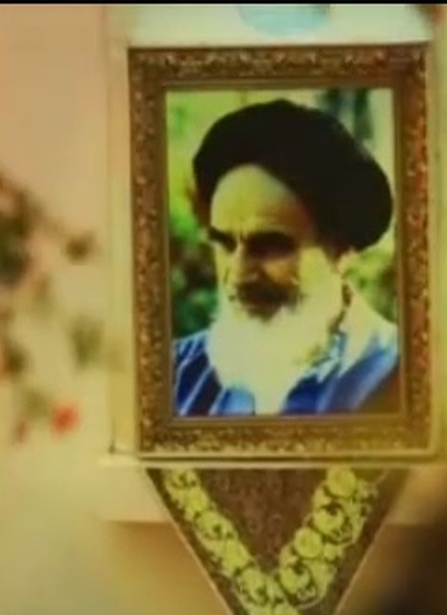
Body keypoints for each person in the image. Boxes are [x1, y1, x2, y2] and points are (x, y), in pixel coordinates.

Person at [171, 99, 401, 417]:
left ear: (342, 250)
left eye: (269, 246)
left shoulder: (400, 376)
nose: (238, 275)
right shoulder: (176, 376)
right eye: (224, 243)